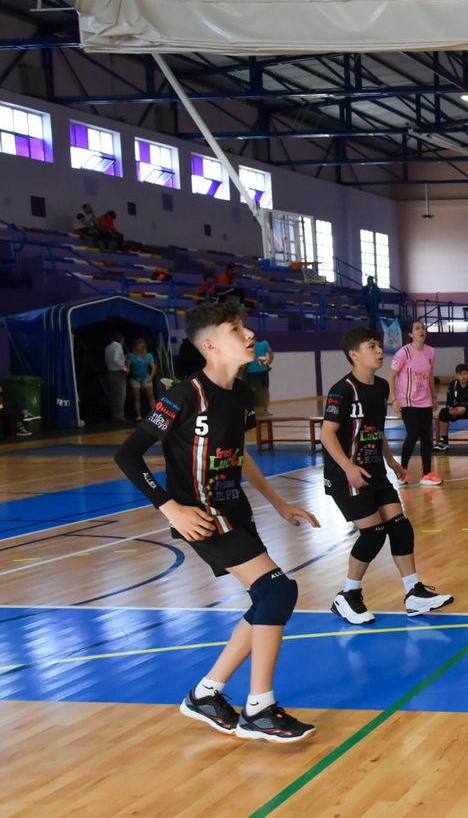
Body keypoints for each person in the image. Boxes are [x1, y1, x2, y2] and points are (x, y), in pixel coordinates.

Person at [112, 300, 319, 741]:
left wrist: (279, 503)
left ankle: (207, 694)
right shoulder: (184, 395)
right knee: (277, 590)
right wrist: (169, 507)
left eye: (245, 327)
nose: (249, 335)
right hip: (200, 515)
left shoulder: (241, 394)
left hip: (234, 509)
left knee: (269, 597)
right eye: (236, 329)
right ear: (211, 345)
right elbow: (127, 454)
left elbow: (238, 456)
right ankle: (260, 706)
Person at [323, 328, 454, 626]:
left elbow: (376, 431)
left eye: (380, 346)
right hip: (346, 476)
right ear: (354, 354)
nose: (380, 351)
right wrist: (348, 468)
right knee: (373, 533)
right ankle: (347, 595)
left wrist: (392, 462)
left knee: (400, 526)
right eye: (372, 346)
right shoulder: (342, 390)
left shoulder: (381, 387)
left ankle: (413, 593)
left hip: (376, 471)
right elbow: (327, 434)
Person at [391, 320, 440, 486]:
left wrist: (433, 397)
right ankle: (402, 471)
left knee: (427, 437)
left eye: (423, 328)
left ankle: (427, 473)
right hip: (408, 401)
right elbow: (391, 376)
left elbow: (431, 377)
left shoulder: (431, 352)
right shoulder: (404, 353)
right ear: (411, 334)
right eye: (417, 328)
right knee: (413, 434)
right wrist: (394, 399)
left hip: (425, 401)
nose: (421, 331)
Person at [435, 363, 468, 452]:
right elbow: (449, 401)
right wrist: (451, 409)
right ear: (456, 376)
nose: (463, 376)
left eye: (465, 373)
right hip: (457, 410)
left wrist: (465, 408)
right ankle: (444, 442)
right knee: (443, 412)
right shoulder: (453, 384)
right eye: (460, 374)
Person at [127, 337, 157, 420]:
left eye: (141, 346)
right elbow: (128, 367)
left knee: (150, 396)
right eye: (138, 346)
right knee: (136, 397)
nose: (139, 348)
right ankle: (139, 416)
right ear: (135, 347)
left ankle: (155, 414)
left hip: (146, 377)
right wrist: (127, 369)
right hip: (135, 378)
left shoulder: (148, 355)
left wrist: (151, 377)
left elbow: (153, 367)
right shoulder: (131, 356)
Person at [104, 330, 129, 423]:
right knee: (120, 396)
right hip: (117, 373)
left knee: (114, 396)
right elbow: (116, 359)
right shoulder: (118, 346)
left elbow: (107, 360)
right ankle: (119, 417)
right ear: (121, 340)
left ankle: (115, 415)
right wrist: (124, 368)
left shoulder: (107, 348)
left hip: (110, 372)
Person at [245, 335, 273, 415]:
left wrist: (269, 362)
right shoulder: (246, 345)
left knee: (266, 389)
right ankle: (249, 410)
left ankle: (266, 410)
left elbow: (271, 353)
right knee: (251, 391)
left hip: (263, 370)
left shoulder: (264, 343)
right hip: (251, 371)